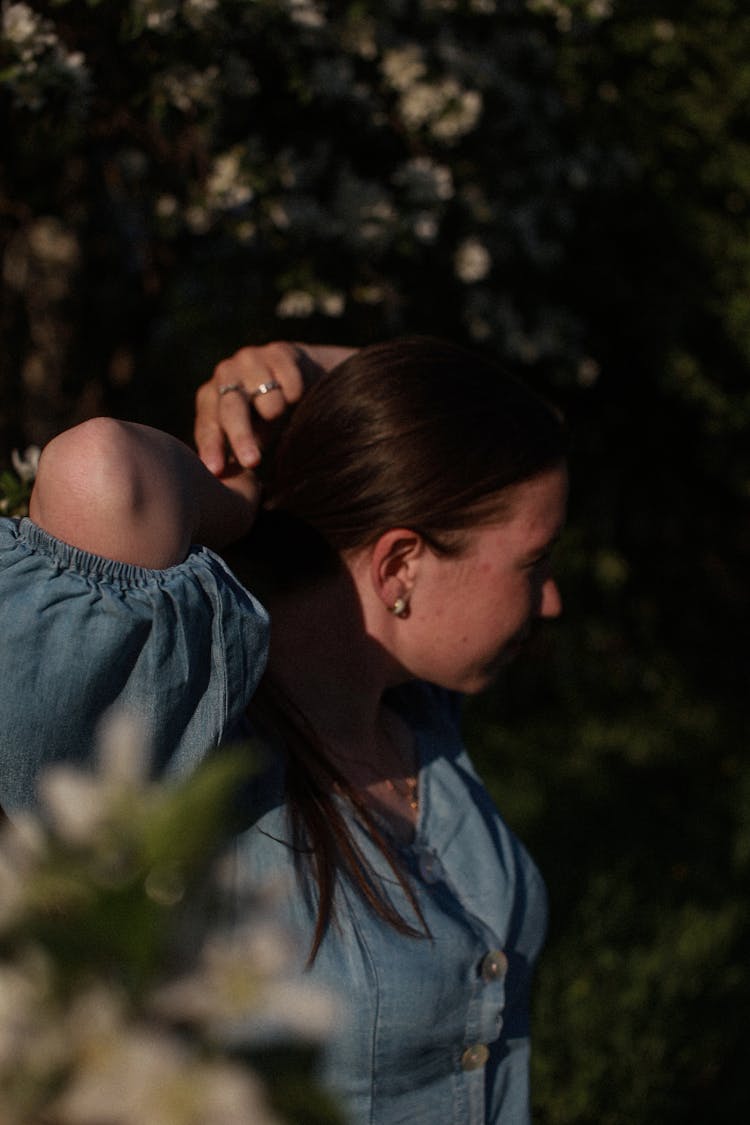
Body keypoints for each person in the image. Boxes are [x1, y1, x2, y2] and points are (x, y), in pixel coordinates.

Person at [0, 337, 567, 1124]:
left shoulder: (421, 721)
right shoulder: (179, 743)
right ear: (400, 567)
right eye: (534, 563)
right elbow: (101, 469)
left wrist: (301, 368)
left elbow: (462, 419)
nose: (550, 602)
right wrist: (237, 499)